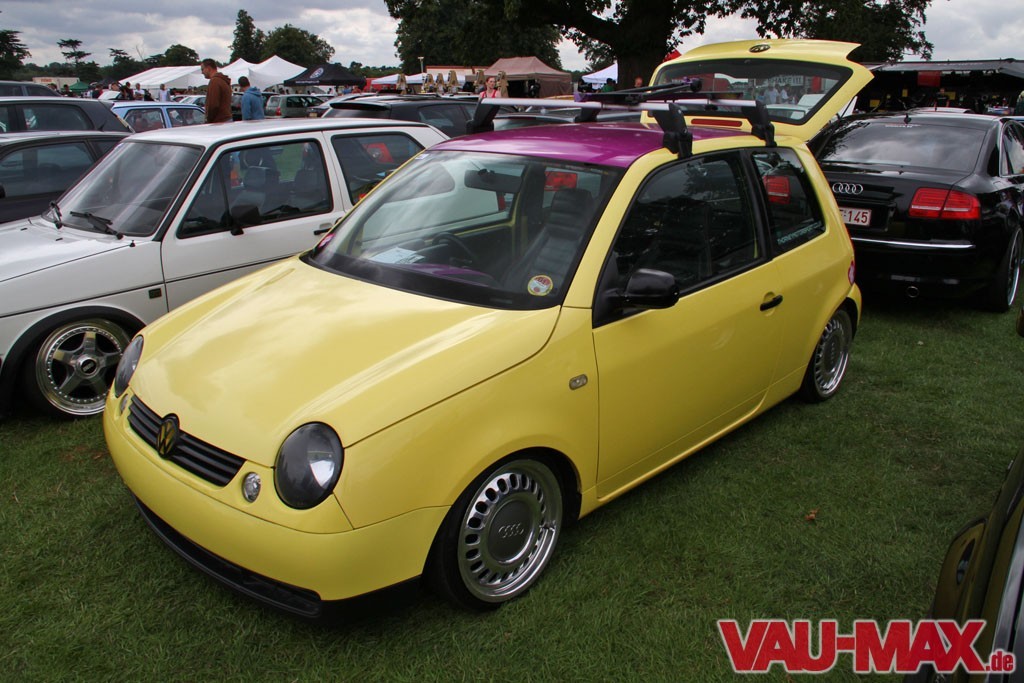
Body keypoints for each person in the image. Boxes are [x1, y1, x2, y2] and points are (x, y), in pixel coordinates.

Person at [201, 58, 232, 123]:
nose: (202, 72)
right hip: (226, 120)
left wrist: (209, 120)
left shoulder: (214, 81)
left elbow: (213, 105)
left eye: (202, 69)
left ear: (208, 68)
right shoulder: (223, 81)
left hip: (219, 122)